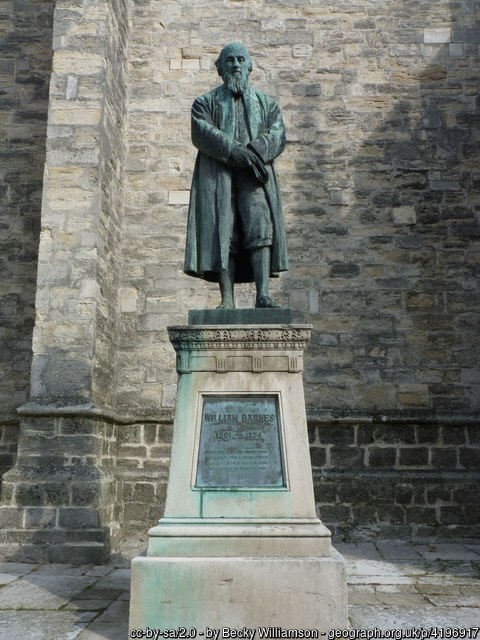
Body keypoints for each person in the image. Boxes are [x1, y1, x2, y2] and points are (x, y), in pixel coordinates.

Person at [184, 42, 288, 309]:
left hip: (254, 176)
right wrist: (232, 151)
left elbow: (278, 134)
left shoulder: (267, 104)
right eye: (229, 60)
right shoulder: (204, 103)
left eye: (241, 59)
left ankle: (263, 294)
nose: (236, 65)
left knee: (261, 228)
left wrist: (253, 151)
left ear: (250, 66)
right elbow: (201, 131)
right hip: (219, 175)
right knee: (223, 230)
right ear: (220, 67)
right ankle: (227, 300)